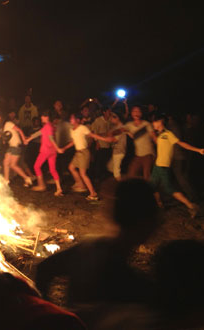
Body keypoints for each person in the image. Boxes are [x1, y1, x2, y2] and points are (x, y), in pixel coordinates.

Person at [35, 179, 158, 316]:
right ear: (145, 224)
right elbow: (44, 269)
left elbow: (44, 269)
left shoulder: (89, 249)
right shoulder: (136, 287)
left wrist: (50, 311)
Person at [150, 115, 204, 217]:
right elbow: (160, 145)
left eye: (154, 122)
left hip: (163, 167)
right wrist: (153, 137)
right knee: (152, 186)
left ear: (160, 121)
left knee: (169, 189)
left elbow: (182, 143)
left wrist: (198, 150)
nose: (153, 124)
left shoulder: (168, 134)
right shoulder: (160, 134)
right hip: (157, 166)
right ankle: (159, 205)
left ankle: (191, 206)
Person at [58, 113, 115, 200]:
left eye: (72, 118)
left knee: (83, 174)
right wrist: (64, 148)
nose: (70, 120)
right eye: (70, 118)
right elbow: (73, 142)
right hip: (78, 153)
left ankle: (93, 193)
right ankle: (80, 184)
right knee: (71, 167)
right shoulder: (72, 130)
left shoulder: (82, 128)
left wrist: (105, 139)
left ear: (77, 120)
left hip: (84, 153)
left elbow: (93, 135)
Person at [24, 110, 63, 195]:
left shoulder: (48, 126)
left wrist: (58, 148)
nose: (41, 118)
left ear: (46, 117)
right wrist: (28, 139)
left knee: (36, 166)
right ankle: (59, 189)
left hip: (46, 150)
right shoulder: (49, 126)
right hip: (52, 151)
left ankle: (41, 185)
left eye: (42, 116)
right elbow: (38, 133)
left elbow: (51, 138)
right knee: (52, 170)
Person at [0, 112, 33, 186]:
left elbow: (19, 130)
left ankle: (27, 178)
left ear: (2, 118)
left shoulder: (8, 123)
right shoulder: (3, 128)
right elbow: (7, 137)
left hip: (16, 145)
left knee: (13, 165)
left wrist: (24, 139)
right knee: (6, 162)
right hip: (12, 146)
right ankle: (6, 181)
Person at [123, 106, 156, 180]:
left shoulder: (146, 124)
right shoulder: (129, 125)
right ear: (131, 113)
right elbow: (121, 129)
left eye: (138, 111)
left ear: (141, 113)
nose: (136, 113)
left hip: (148, 154)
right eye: (134, 111)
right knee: (131, 173)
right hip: (138, 155)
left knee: (146, 175)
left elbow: (154, 138)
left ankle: (149, 190)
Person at [107, 112, 127, 181]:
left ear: (117, 118)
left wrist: (97, 136)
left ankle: (122, 186)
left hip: (119, 151)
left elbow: (114, 139)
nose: (110, 119)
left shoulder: (120, 128)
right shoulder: (115, 127)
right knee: (110, 167)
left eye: (112, 117)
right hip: (116, 150)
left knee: (116, 172)